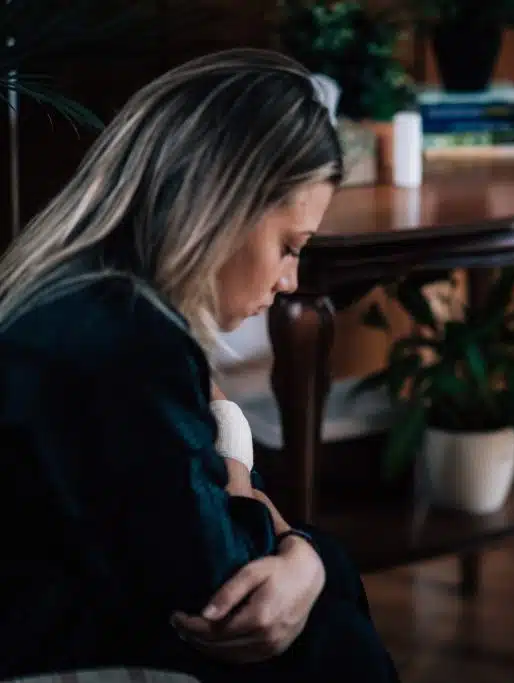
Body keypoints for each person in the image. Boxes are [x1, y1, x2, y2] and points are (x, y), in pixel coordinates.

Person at [0, 50, 400, 682]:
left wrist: (292, 545)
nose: (290, 280)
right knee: (325, 628)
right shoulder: (124, 336)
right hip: (52, 648)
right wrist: (312, 556)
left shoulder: (80, 294)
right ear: (224, 206)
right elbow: (222, 589)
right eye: (289, 247)